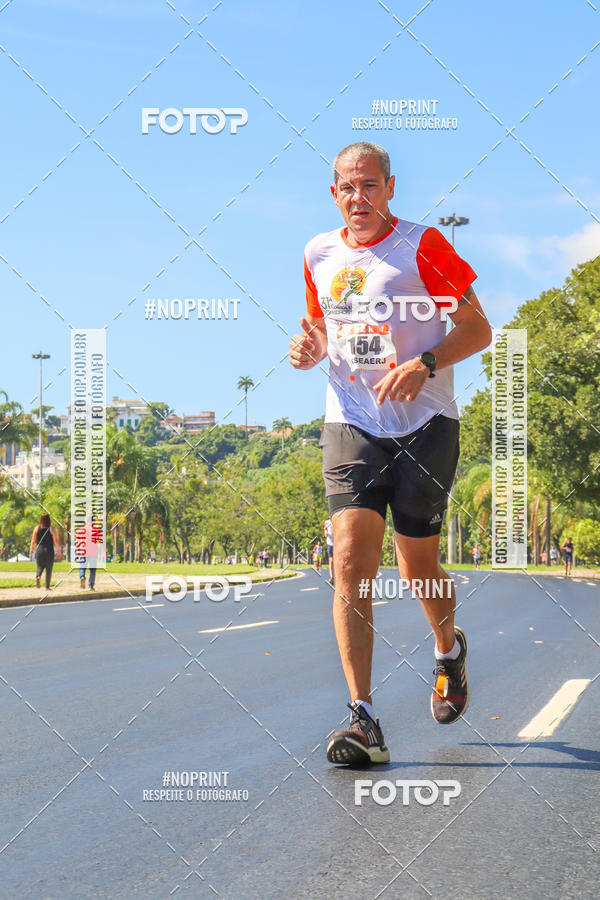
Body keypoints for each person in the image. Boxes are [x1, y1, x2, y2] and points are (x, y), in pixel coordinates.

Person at [289, 141, 492, 765]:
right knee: (350, 560)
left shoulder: (422, 246)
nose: (359, 198)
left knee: (416, 566)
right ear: (334, 194)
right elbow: (320, 326)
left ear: (390, 187)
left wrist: (425, 362)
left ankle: (447, 651)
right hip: (352, 421)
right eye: (348, 188)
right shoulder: (317, 253)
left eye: (370, 186)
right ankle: (363, 717)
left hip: (425, 423)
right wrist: (309, 347)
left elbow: (478, 329)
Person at [30, 513, 61, 589]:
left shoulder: (36, 528)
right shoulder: (51, 529)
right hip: (49, 550)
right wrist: (58, 551)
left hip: (39, 550)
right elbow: (55, 541)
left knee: (39, 566)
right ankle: (47, 586)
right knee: (48, 568)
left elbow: (33, 540)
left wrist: (31, 548)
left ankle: (38, 576)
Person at [75, 517, 102, 590]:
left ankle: (82, 576)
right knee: (92, 570)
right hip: (93, 552)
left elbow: (77, 541)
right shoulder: (96, 530)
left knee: (82, 567)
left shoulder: (81, 530)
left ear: (85, 521)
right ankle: (91, 585)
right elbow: (99, 542)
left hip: (83, 551)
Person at [324, 517, 335, 583]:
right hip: (330, 544)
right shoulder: (326, 522)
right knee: (331, 561)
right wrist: (326, 532)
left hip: (337, 544)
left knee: (337, 561)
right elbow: (325, 534)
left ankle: (337, 576)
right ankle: (332, 577)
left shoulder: (337, 520)